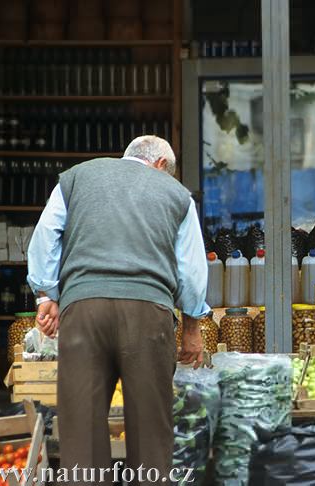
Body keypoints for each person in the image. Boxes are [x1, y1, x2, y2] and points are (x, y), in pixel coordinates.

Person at [27, 135, 209, 483]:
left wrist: (46, 294)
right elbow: (191, 270)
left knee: (81, 425)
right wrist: (191, 328)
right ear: (160, 165)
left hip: (83, 311)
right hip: (148, 313)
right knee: (151, 429)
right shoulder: (177, 196)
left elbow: (47, 234)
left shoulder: (77, 177)